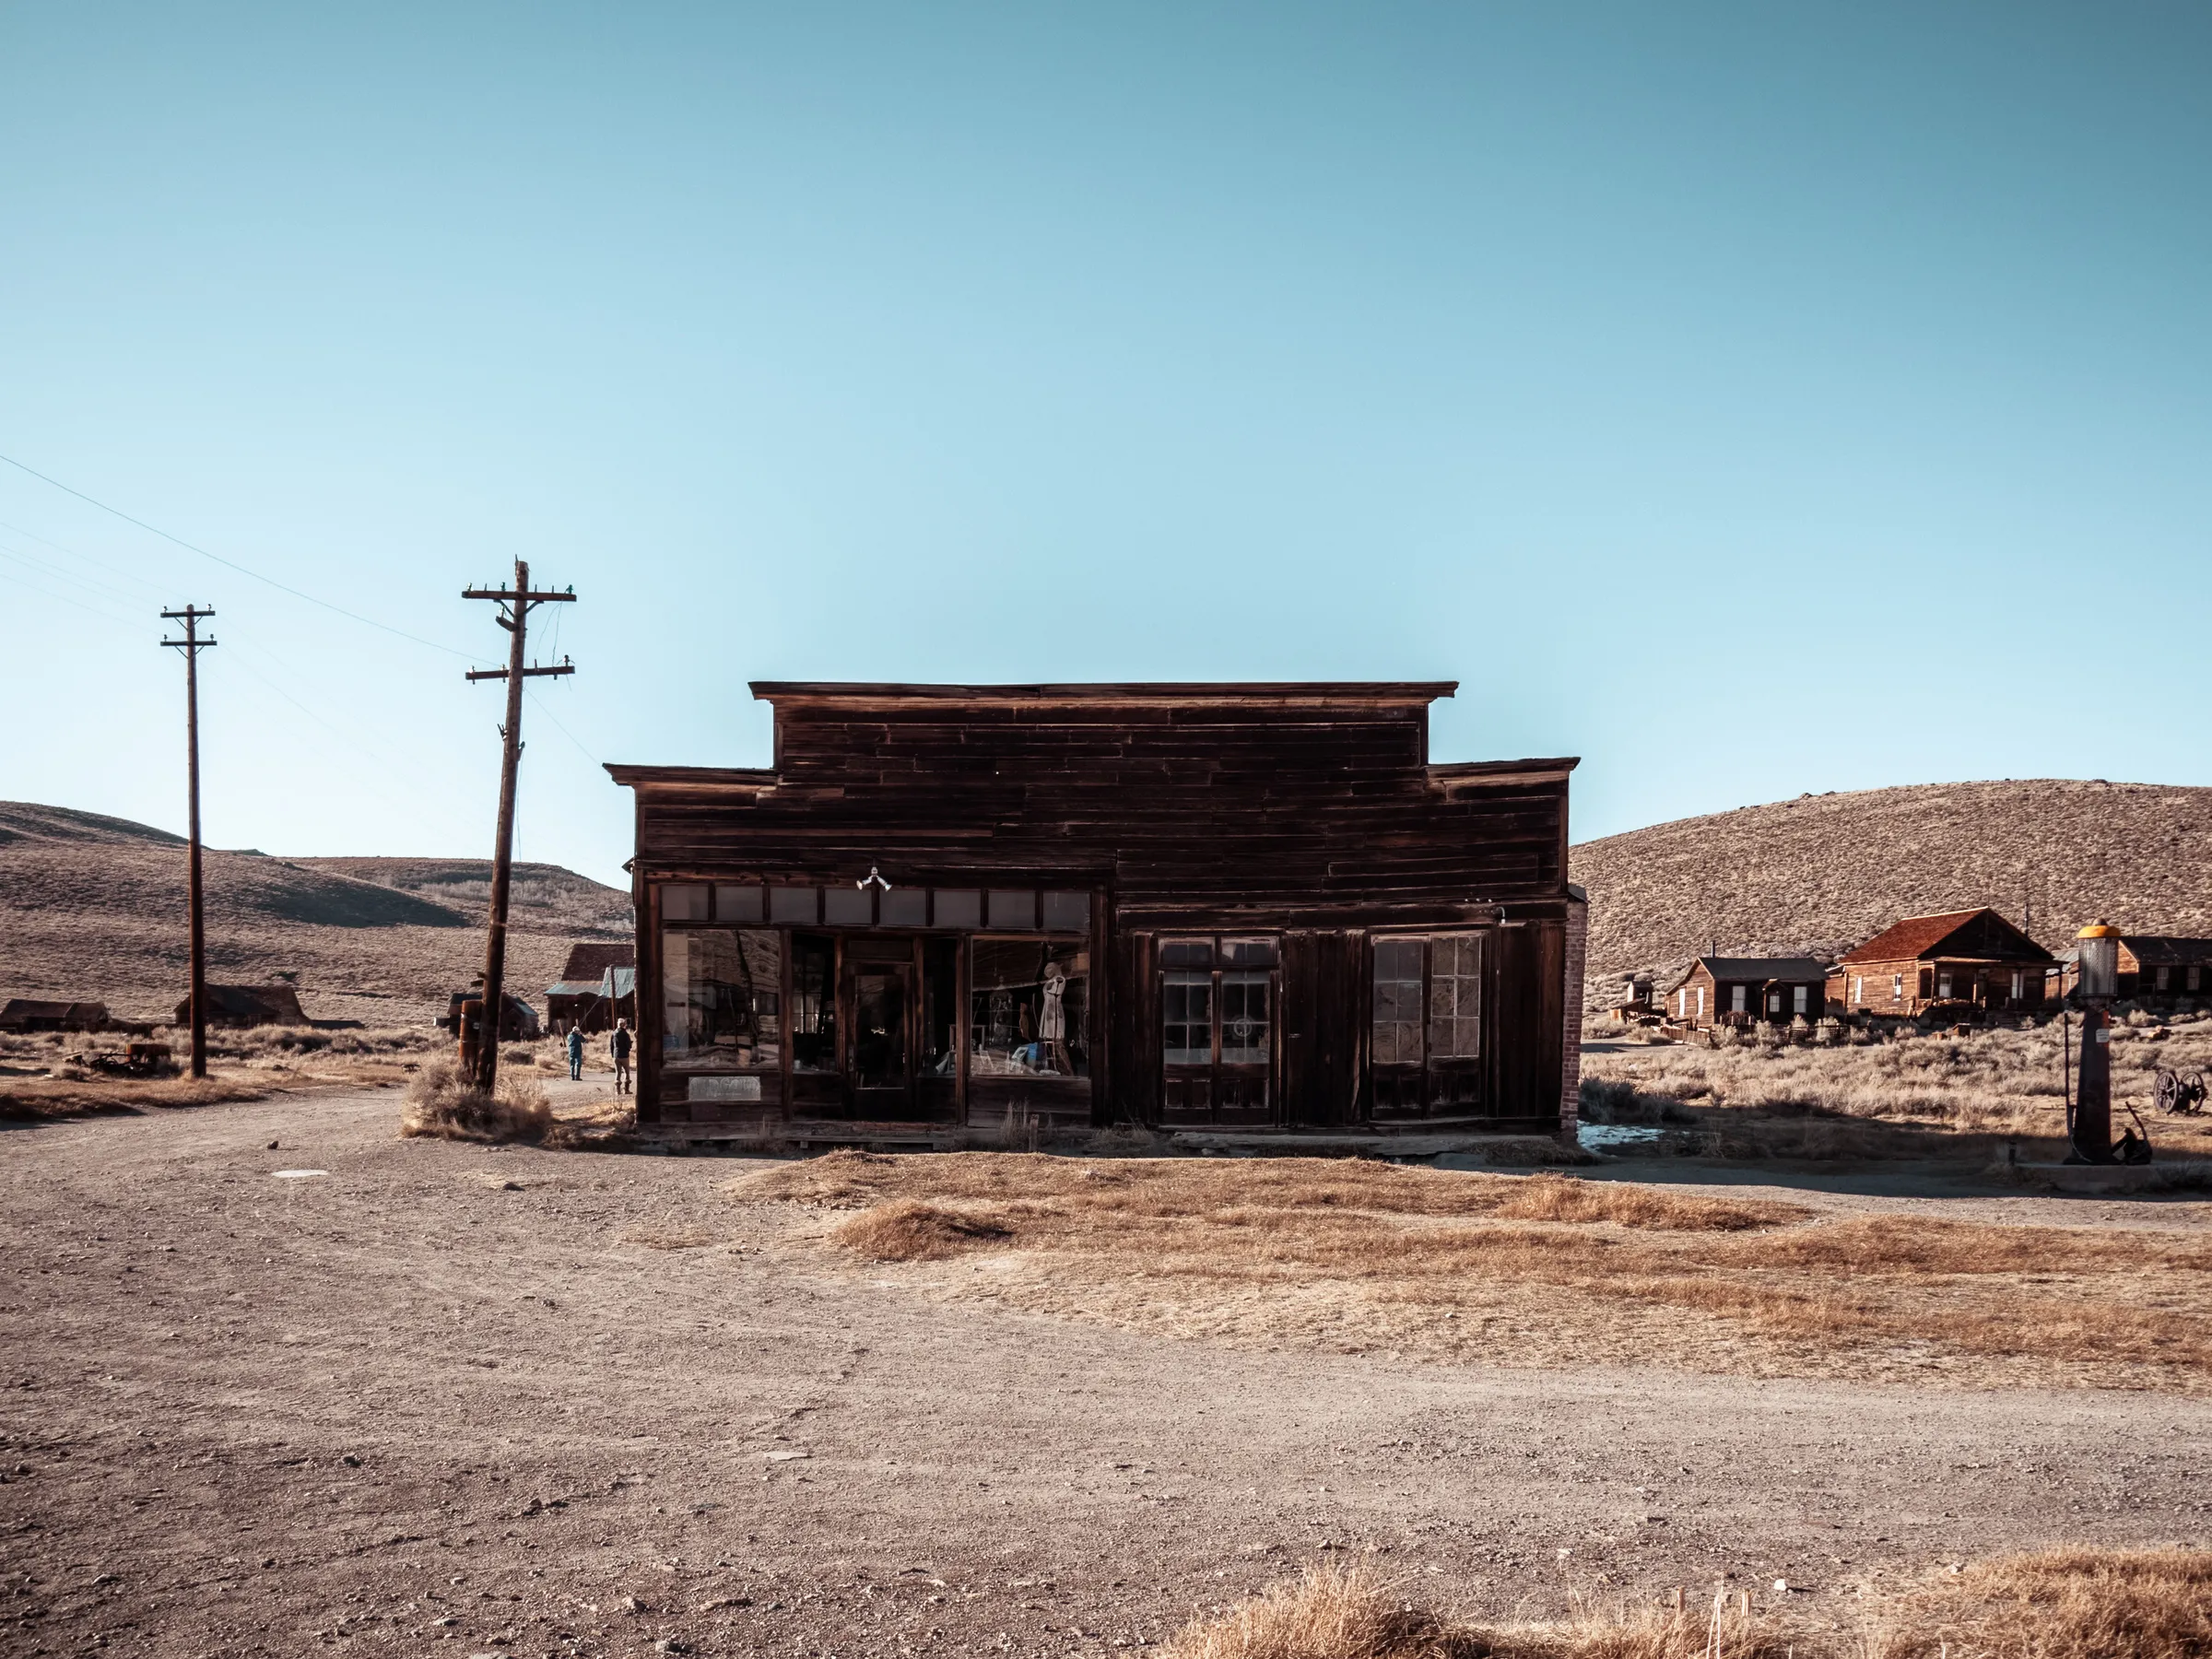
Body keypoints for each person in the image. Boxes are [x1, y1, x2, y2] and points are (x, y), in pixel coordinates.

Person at [610, 1019, 632, 1095]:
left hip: (616, 1055)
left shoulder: (614, 1033)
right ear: (624, 1025)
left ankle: (618, 1091)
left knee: (618, 1072)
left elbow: (611, 1045)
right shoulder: (626, 1034)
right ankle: (626, 1090)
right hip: (624, 1055)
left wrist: (613, 1055)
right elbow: (629, 1045)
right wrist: (629, 1047)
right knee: (626, 1072)